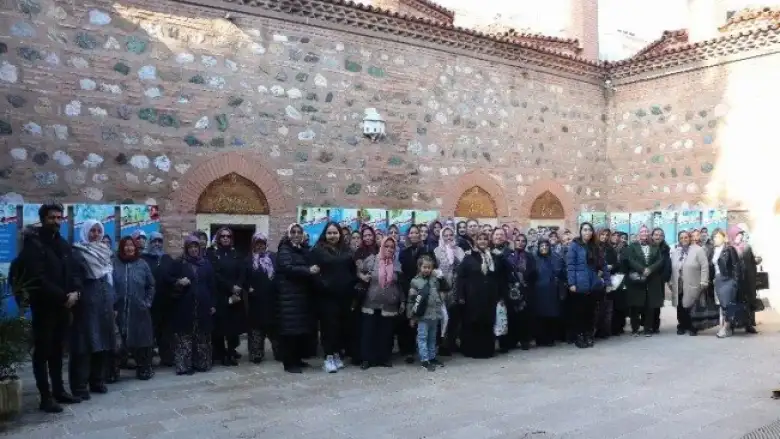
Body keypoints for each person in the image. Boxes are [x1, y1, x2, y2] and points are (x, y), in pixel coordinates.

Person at [19, 203, 81, 412]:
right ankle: (45, 397)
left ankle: (59, 391)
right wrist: (64, 296)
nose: (56, 221)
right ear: (43, 219)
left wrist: (76, 292)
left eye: (58, 217)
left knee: (57, 351)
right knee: (42, 353)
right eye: (51, 218)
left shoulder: (63, 244)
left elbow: (73, 272)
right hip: (45, 308)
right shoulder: (34, 244)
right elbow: (38, 277)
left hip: (64, 307)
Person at [69, 220, 115, 400]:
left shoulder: (105, 252)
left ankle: (97, 381)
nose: (95, 234)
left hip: (104, 304)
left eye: (98, 231)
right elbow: (75, 278)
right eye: (92, 231)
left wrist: (113, 301)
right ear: (85, 232)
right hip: (87, 304)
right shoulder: (78, 252)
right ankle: (80, 386)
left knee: (102, 343)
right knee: (84, 345)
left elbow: (111, 278)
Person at [310, 222, 357, 373]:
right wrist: (323, 285)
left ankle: (336, 354)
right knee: (329, 327)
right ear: (325, 234)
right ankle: (328, 357)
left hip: (344, 296)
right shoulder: (318, 250)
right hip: (326, 297)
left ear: (340, 234)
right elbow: (314, 273)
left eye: (335, 233)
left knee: (341, 326)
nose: (332, 236)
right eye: (329, 233)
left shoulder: (347, 250)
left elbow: (352, 270)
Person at [275, 223, 319, 373]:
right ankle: (289, 363)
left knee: (299, 331)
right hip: (289, 298)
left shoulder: (303, 249)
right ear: (288, 234)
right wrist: (308, 270)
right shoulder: (284, 250)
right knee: (289, 332)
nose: (296, 235)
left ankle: (298, 359)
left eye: (299, 232)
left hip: (301, 297)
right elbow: (287, 268)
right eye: (293, 232)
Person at [170, 235, 216, 375]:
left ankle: (201, 363)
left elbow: (212, 285)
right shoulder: (180, 263)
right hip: (185, 305)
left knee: (202, 335)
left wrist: (213, 304)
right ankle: (184, 366)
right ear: (186, 248)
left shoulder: (206, 264)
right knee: (185, 336)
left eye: (196, 247)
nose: (194, 249)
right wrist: (178, 281)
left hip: (203, 305)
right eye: (191, 247)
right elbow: (168, 279)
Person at [113, 236, 156, 380]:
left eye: (131, 245)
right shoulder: (114, 263)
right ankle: (113, 370)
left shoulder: (142, 264)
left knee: (141, 340)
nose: (129, 248)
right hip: (118, 310)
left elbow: (151, 285)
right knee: (117, 341)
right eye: (126, 245)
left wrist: (147, 302)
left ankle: (144, 368)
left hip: (139, 310)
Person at [358, 237, 403, 369]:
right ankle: (367, 359)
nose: (389, 249)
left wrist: (403, 301)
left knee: (386, 333)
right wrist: (362, 276)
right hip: (371, 303)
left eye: (392, 247)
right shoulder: (372, 259)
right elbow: (359, 271)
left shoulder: (396, 263)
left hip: (389, 303)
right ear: (381, 246)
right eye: (386, 246)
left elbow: (400, 283)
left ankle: (384, 358)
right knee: (368, 332)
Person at [457, 232, 504, 359]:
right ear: (476, 241)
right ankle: (472, 350)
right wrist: (460, 295)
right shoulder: (469, 256)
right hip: (473, 295)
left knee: (488, 321)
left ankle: (487, 350)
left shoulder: (494, 256)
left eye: (485, 239)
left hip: (490, 295)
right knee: (473, 321)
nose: (482, 241)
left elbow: (500, 275)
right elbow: (461, 277)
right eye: (480, 239)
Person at [208, 227, 245, 366]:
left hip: (235, 296)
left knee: (233, 327)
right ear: (218, 238)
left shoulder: (236, 254)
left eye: (228, 236)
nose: (225, 238)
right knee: (220, 326)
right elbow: (216, 274)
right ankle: (221, 353)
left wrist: (238, 286)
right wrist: (230, 287)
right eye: (222, 236)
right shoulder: (213, 254)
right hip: (220, 295)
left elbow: (242, 272)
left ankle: (231, 351)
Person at [566, 222, 607, 348]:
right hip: (579, 284)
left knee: (591, 312)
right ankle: (580, 336)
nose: (587, 232)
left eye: (589, 230)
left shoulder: (595, 246)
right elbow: (570, 265)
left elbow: (602, 264)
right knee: (579, 312)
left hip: (593, 284)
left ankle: (589, 335)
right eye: (585, 230)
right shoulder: (574, 245)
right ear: (580, 231)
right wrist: (572, 283)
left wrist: (602, 279)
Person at [398, 225, 435, 363]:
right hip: (408, 288)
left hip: (424, 287)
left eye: (416, 232)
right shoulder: (404, 252)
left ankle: (424, 352)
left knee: (422, 320)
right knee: (409, 319)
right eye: (411, 232)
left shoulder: (426, 250)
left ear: (420, 235)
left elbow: (433, 267)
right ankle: (408, 351)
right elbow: (401, 271)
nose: (414, 235)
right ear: (408, 235)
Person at [240, 233, 278, 363]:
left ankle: (279, 352)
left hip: (272, 298)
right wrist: (248, 287)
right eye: (257, 243)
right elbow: (243, 278)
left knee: (274, 327)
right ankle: (256, 353)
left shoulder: (273, 257)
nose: (260, 245)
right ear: (253, 245)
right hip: (255, 299)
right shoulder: (248, 260)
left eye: (262, 243)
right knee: (256, 328)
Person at [141, 232, 176, 367]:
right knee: (149, 333)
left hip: (166, 302)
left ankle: (167, 358)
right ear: (150, 243)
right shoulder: (143, 259)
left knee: (166, 333)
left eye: (159, 241)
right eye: (154, 241)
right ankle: (146, 361)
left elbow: (174, 276)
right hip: (149, 303)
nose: (157, 244)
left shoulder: (167, 259)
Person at [669, 231, 710, 336]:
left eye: (686, 237)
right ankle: (682, 325)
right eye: (681, 237)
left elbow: (705, 266)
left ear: (690, 238)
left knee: (691, 305)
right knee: (680, 306)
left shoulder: (698, 250)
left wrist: (704, 281)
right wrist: (670, 281)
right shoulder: (676, 251)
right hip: (678, 283)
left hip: (693, 282)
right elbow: (672, 267)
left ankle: (693, 326)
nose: (684, 239)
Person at [625, 226, 663, 337]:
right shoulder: (632, 246)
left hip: (652, 279)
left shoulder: (655, 246)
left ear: (649, 234)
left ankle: (647, 329)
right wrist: (642, 269)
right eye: (642, 231)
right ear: (638, 234)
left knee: (649, 306)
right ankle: (635, 329)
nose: (644, 233)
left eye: (646, 231)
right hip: (637, 279)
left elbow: (660, 261)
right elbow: (630, 260)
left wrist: (650, 269)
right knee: (635, 306)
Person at [408, 255, 445, 371]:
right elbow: (411, 300)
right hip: (422, 316)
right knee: (422, 337)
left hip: (434, 314)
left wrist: (441, 277)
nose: (427, 269)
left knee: (432, 338)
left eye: (429, 267)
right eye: (424, 267)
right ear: (419, 267)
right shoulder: (415, 281)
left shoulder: (435, 280)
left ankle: (432, 356)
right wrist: (411, 317)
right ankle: (424, 359)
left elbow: (446, 287)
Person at [433, 226, 465, 356]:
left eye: (450, 235)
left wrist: (453, 252)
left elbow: (463, 266)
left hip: (456, 288)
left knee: (454, 317)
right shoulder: (437, 250)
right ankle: (441, 344)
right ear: (441, 236)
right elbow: (434, 269)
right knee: (442, 317)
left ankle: (451, 342)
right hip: (442, 289)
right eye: (445, 235)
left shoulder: (459, 250)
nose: (448, 238)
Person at [502, 231, 535, 351]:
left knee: (524, 316)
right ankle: (511, 341)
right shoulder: (507, 255)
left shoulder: (529, 256)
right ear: (514, 242)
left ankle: (525, 340)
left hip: (525, 289)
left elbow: (533, 272)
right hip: (510, 289)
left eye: (523, 241)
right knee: (511, 315)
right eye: (518, 240)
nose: (520, 243)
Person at [531, 239, 566, 346]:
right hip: (538, 291)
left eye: (546, 245)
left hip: (552, 291)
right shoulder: (534, 259)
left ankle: (550, 338)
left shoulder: (555, 258)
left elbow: (562, 273)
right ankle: (540, 339)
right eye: (542, 246)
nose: (544, 247)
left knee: (552, 315)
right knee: (539, 315)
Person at [711, 228, 742, 338]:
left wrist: (735, 282)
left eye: (718, 236)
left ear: (724, 238)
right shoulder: (713, 250)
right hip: (718, 279)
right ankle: (725, 327)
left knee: (727, 305)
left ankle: (725, 327)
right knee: (721, 305)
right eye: (714, 237)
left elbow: (736, 266)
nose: (716, 239)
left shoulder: (729, 249)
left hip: (728, 279)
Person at [729, 225, 761, 334]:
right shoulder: (730, 248)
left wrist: (757, 259)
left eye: (741, 234)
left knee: (749, 301)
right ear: (733, 235)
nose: (740, 236)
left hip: (748, 279)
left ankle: (749, 324)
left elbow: (753, 260)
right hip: (735, 279)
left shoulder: (747, 247)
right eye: (738, 234)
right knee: (735, 301)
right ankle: (733, 324)